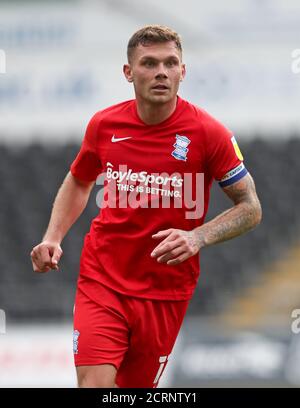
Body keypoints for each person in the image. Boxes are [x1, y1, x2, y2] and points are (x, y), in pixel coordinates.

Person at [30, 25, 262, 388]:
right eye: (149, 63)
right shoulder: (105, 125)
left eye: (171, 63)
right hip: (102, 279)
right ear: (128, 72)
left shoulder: (208, 133)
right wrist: (53, 237)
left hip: (165, 290)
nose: (161, 73)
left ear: (183, 72)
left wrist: (198, 237)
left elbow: (250, 207)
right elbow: (80, 178)